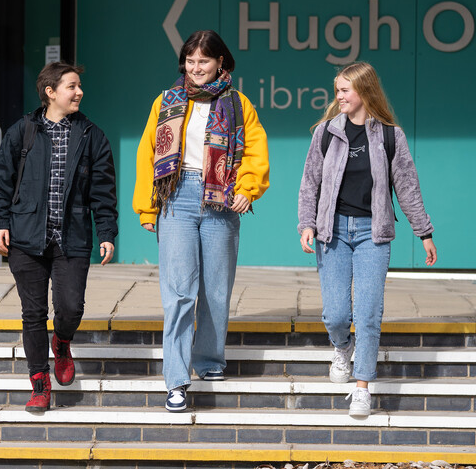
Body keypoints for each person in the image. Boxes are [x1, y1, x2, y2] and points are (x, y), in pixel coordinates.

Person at [133, 30, 270, 412]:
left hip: (222, 200)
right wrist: (147, 207)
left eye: (204, 61)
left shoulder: (239, 104)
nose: (196, 68)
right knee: (178, 292)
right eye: (190, 61)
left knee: (216, 289)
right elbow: (148, 153)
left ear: (220, 62)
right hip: (176, 198)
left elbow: (256, 153)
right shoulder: (166, 100)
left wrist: (248, 187)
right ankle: (176, 381)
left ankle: (209, 360)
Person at [297, 61, 439, 418]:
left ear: (364, 90)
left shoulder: (390, 136)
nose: (338, 96)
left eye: (345, 90)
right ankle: (342, 346)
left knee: (369, 314)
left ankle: (363, 387)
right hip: (333, 233)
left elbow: (407, 185)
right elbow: (310, 182)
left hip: (373, 235)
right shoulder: (326, 132)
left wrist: (423, 231)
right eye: (337, 90)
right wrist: (307, 224)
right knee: (336, 315)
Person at [0, 61, 118, 413]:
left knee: (71, 307)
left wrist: (106, 232)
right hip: (25, 237)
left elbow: (103, 191)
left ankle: (63, 339)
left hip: (72, 237)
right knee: (33, 313)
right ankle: (39, 383)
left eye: (79, 86)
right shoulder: (23, 131)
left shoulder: (92, 136)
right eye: (72, 86)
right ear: (51, 92)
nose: (79, 92)